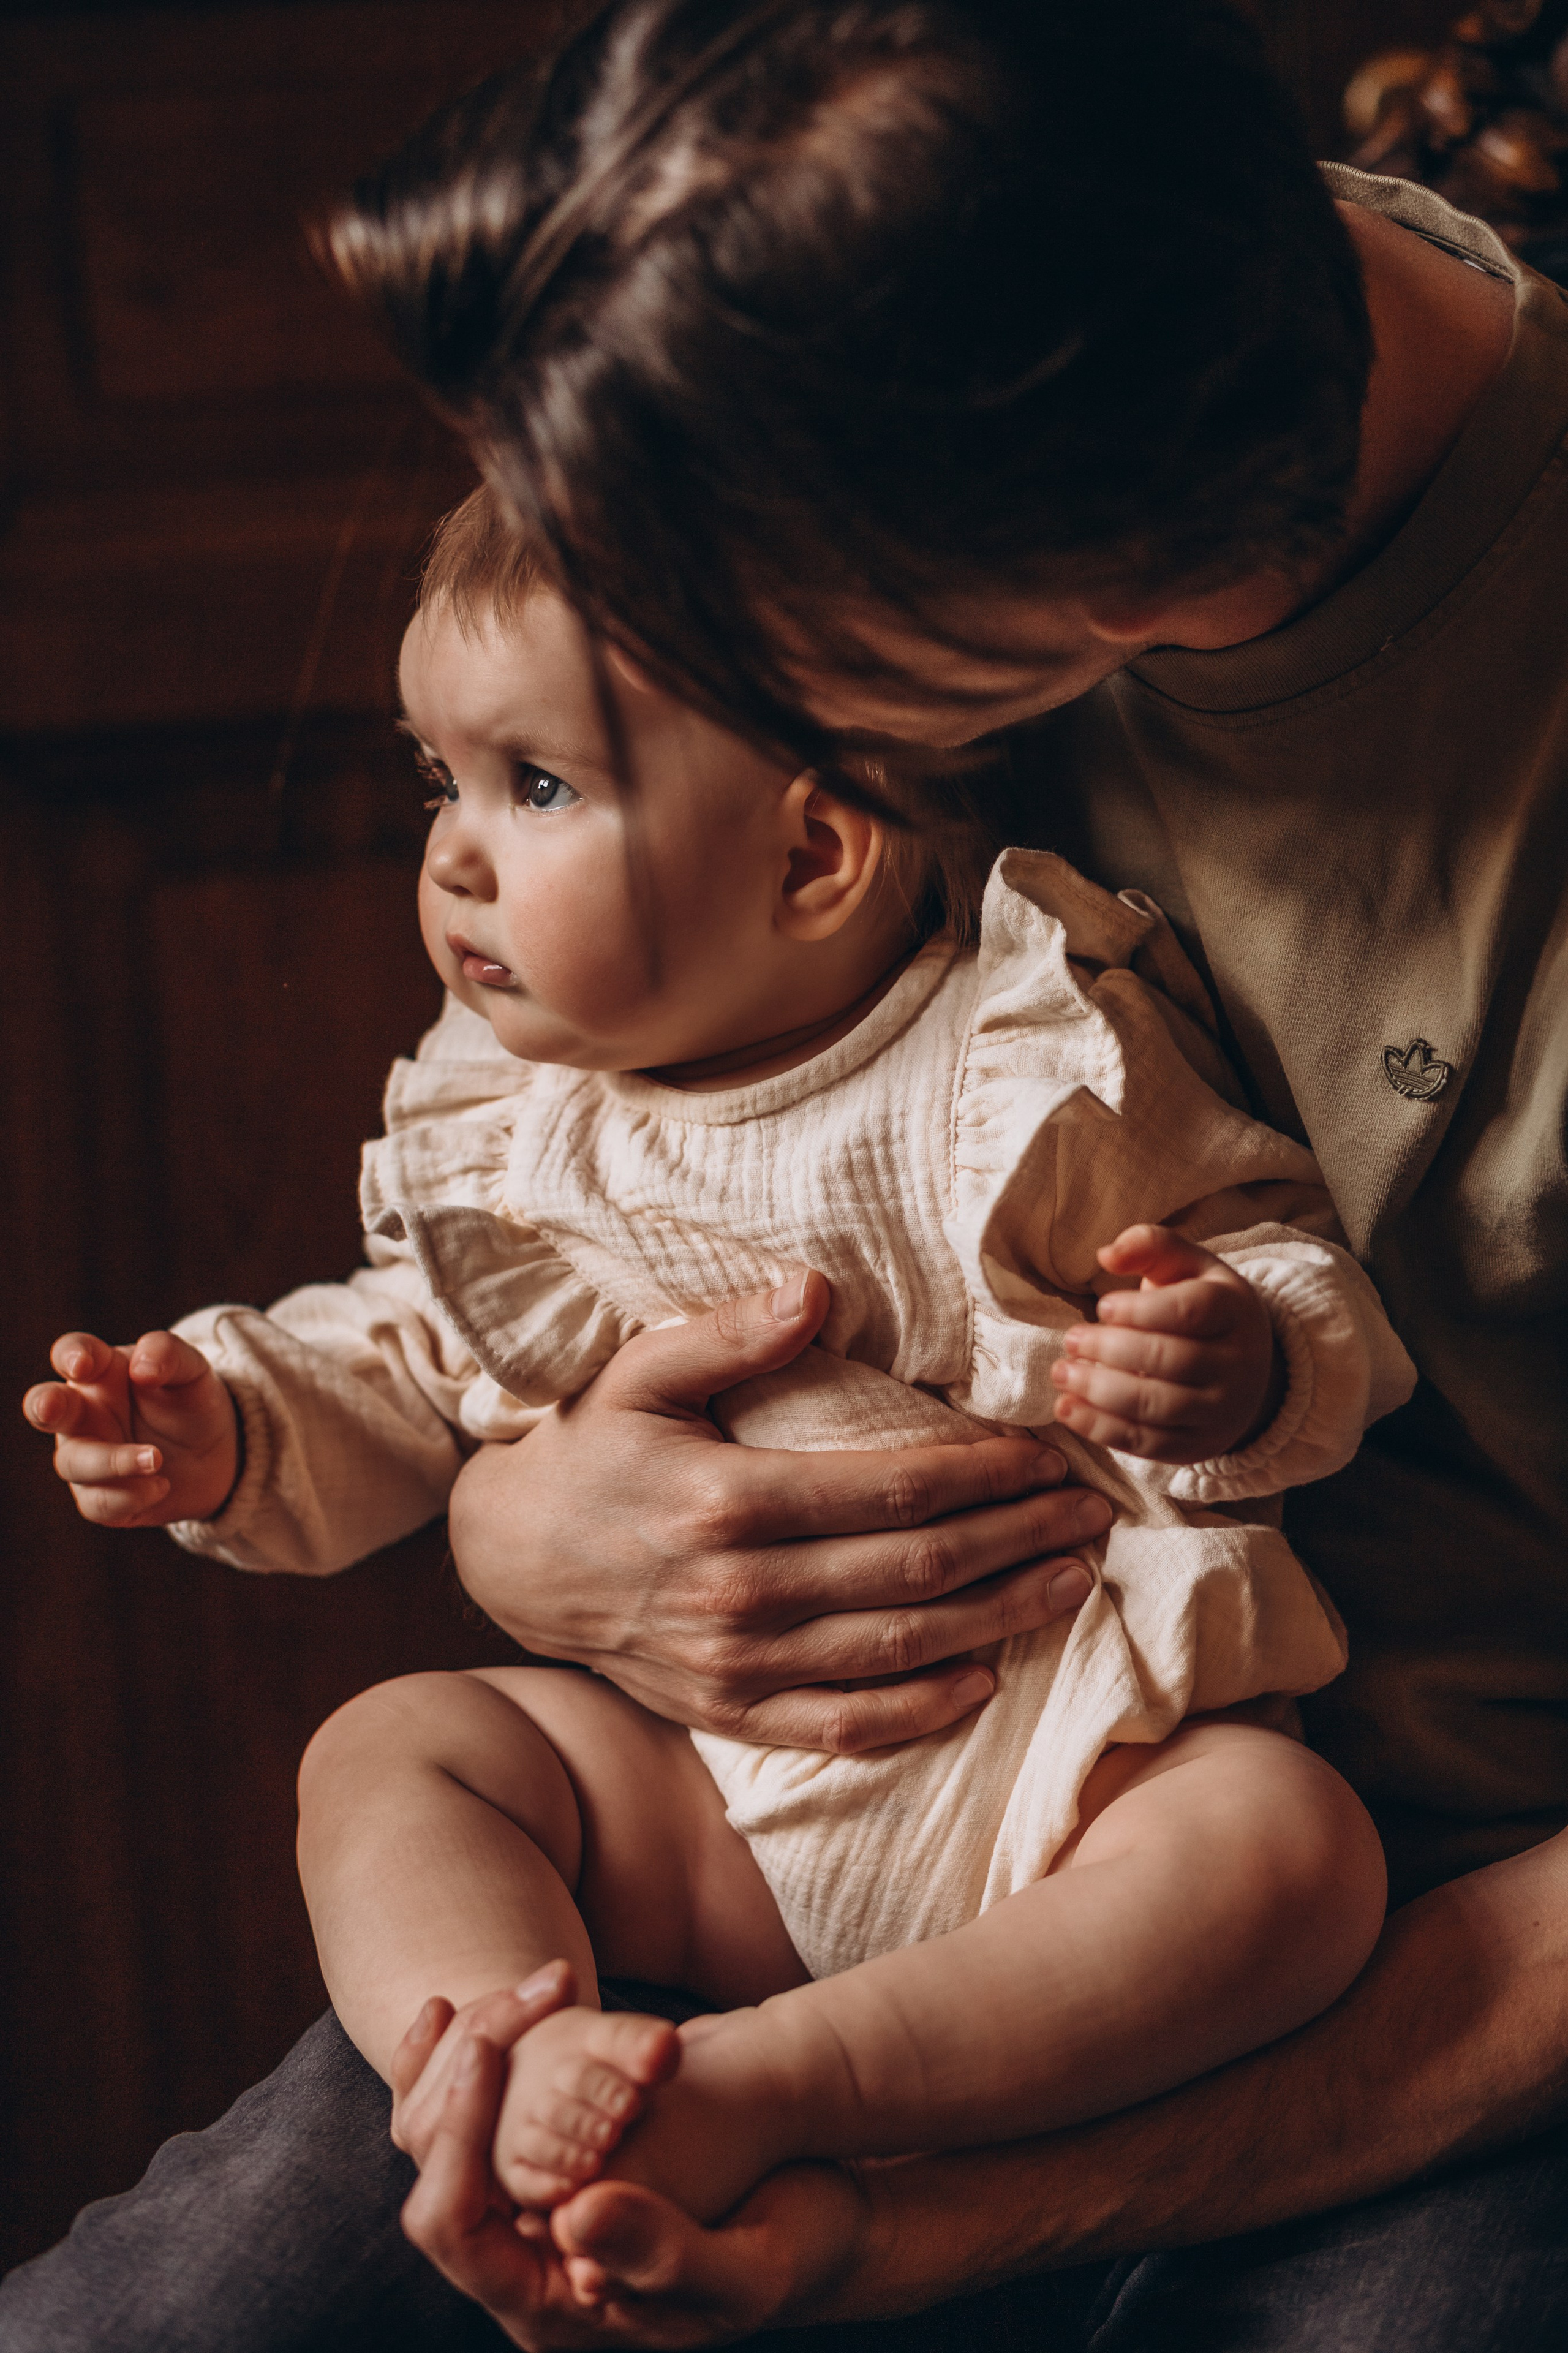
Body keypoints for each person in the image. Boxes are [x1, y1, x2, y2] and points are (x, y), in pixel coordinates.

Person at [4, 2, 1566, 2347]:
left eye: (739, 643)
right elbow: (539, 1249)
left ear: (1083, 571)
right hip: (755, 1833)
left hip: (1402, 1939)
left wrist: (905, 2209)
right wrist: (536, 1521)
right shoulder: (858, 348)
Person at [22, 475, 1403, 2253]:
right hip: (719, 1813)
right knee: (396, 1747)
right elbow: (404, 1358)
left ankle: (772, 2084)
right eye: (440, 779)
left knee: (1290, 1852)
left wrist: (1232, 1357)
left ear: (813, 855)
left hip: (1073, 1777)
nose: (452, 854)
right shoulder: (514, 1128)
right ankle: (504, 2046)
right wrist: (233, 1425)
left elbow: (1273, 1250)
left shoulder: (1016, 1061)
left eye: (535, 786)